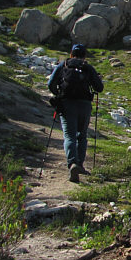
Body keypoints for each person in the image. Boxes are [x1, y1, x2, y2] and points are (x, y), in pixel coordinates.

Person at [47, 43, 104, 183]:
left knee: (69, 135)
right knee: (82, 135)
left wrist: (59, 94)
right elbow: (99, 88)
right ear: (84, 55)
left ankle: (72, 163)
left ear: (71, 54)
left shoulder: (64, 65)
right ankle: (80, 165)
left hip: (67, 104)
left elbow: (50, 84)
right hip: (84, 105)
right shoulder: (87, 67)